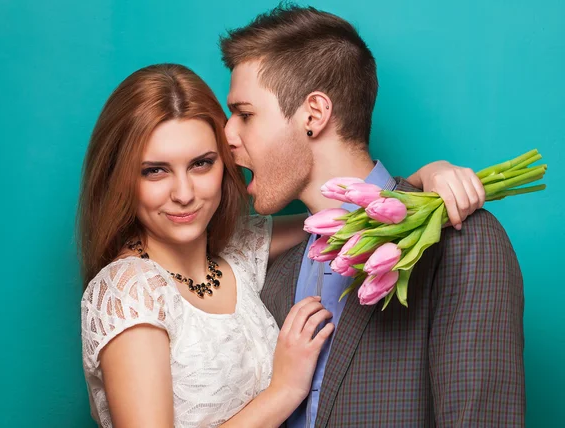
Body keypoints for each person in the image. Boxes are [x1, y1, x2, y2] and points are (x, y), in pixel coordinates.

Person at [78, 64, 484, 427]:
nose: (184, 193)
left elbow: (348, 213)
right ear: (121, 179)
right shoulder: (128, 290)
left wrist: (431, 178)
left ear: (225, 162)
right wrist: (285, 391)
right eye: (155, 171)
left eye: (201, 163)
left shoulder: (236, 252)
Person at [220, 5, 525, 427]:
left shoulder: (462, 243)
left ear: (313, 114)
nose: (227, 134)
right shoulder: (275, 273)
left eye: (246, 114)